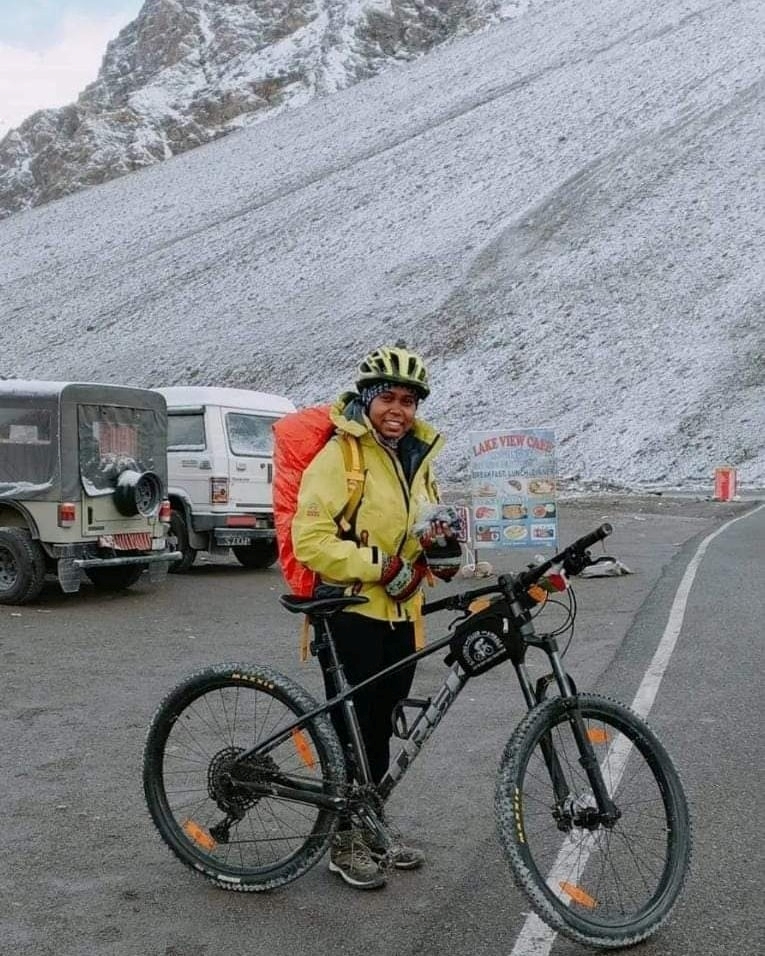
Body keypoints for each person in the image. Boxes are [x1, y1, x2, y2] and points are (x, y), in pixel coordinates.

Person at [291, 344, 461, 890]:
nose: (399, 408)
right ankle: (344, 840)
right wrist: (379, 566)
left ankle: (369, 823)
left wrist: (440, 553)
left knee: (381, 724)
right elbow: (310, 539)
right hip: (349, 612)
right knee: (352, 729)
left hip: (402, 614)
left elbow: (414, 533)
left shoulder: (417, 459)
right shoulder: (341, 458)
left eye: (408, 400)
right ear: (367, 400)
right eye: (388, 396)